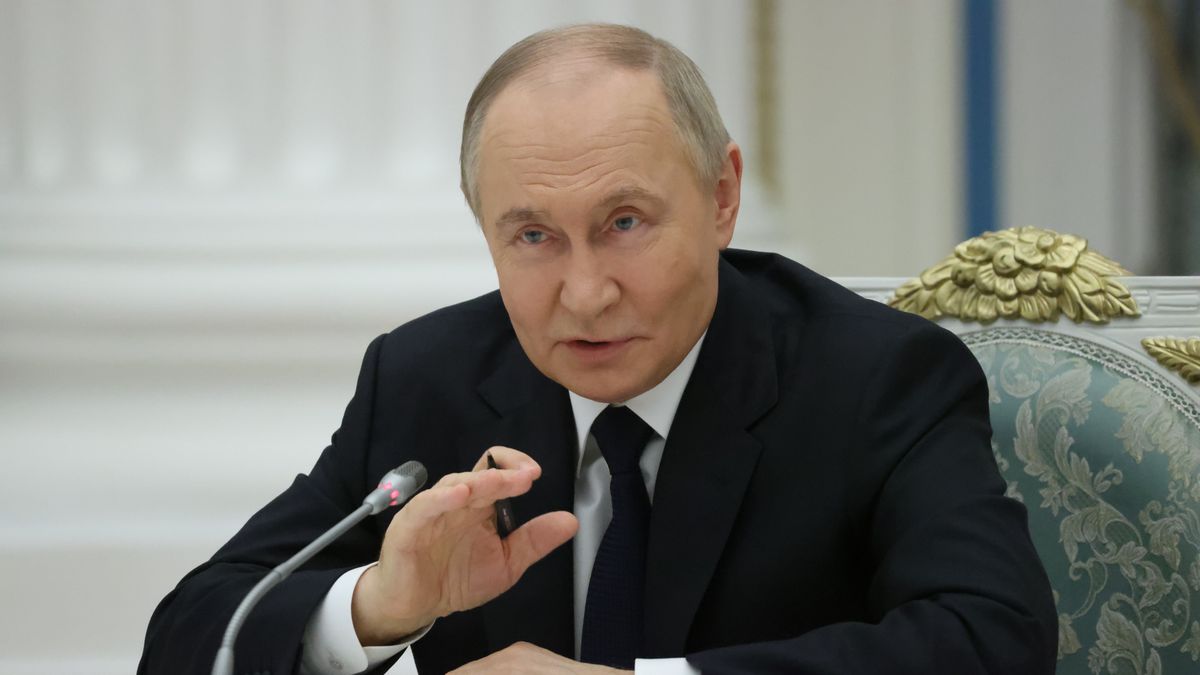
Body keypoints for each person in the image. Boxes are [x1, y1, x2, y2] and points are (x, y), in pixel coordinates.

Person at [139, 23, 1057, 675]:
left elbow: (993, 638)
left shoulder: (876, 377)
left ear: (722, 194)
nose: (585, 293)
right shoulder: (426, 380)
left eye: (624, 222)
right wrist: (379, 602)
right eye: (532, 235)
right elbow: (193, 632)